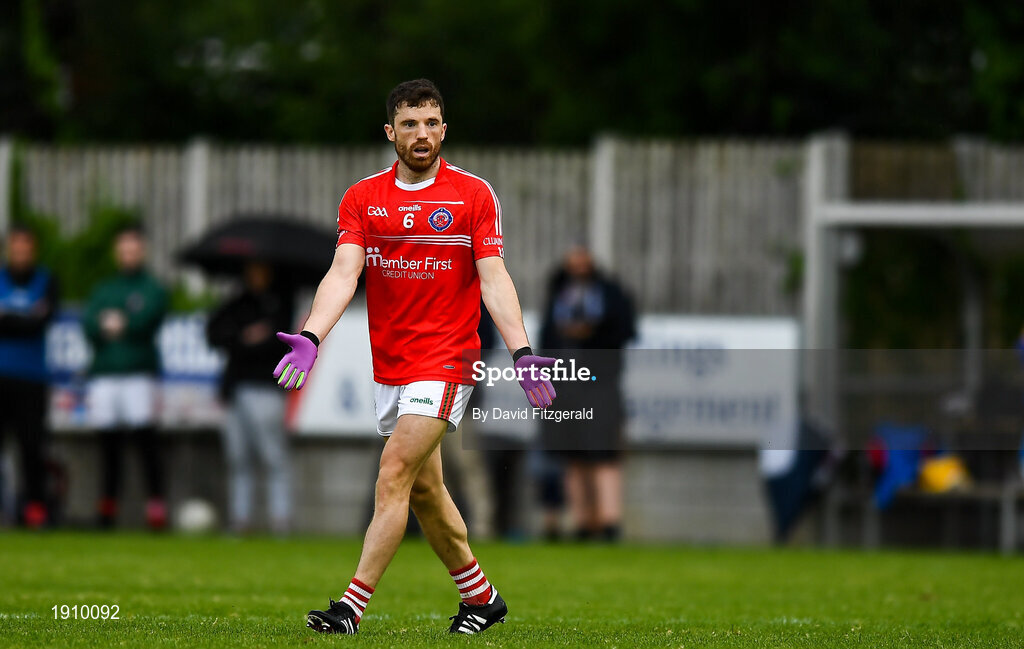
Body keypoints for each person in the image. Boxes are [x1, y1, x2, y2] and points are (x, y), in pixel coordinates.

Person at [273, 79, 556, 636]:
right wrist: (311, 336)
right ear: (390, 132)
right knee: (424, 491)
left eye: (431, 123)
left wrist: (523, 351)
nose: (421, 134)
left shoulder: (473, 195)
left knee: (394, 471)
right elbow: (345, 271)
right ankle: (482, 598)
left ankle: (350, 608)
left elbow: (493, 277)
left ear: (444, 129)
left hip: (449, 358)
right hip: (392, 364)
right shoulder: (363, 197)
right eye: (409, 124)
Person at [539, 244, 636, 541]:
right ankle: (582, 522)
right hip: (566, 382)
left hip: (601, 384)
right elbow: (547, 339)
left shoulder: (610, 293)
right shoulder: (558, 295)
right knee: (573, 455)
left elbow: (626, 330)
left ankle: (609, 522)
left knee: (604, 453)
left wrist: (592, 332)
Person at [82, 224, 168, 529]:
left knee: (145, 441)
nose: (127, 255)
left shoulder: (151, 287)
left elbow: (149, 319)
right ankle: (107, 508)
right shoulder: (105, 287)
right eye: (123, 250)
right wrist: (117, 324)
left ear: (141, 251)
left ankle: (156, 507)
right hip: (106, 373)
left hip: (138, 373)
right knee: (109, 443)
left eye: (133, 249)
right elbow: (90, 323)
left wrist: (123, 324)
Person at [206, 261, 294, 534]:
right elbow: (214, 333)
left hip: (266, 388)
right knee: (237, 457)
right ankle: (240, 519)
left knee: (273, 456)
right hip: (235, 389)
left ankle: (281, 519)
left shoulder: (280, 303)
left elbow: (278, 341)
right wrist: (244, 338)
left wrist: (246, 341)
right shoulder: (236, 303)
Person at [0, 225, 59, 528]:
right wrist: (25, 319)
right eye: (16, 246)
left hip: (32, 377)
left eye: (26, 246)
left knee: (32, 445)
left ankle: (35, 506)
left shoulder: (47, 280)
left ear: (33, 249)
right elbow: (31, 321)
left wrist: (8, 318)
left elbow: (41, 323)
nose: (20, 252)